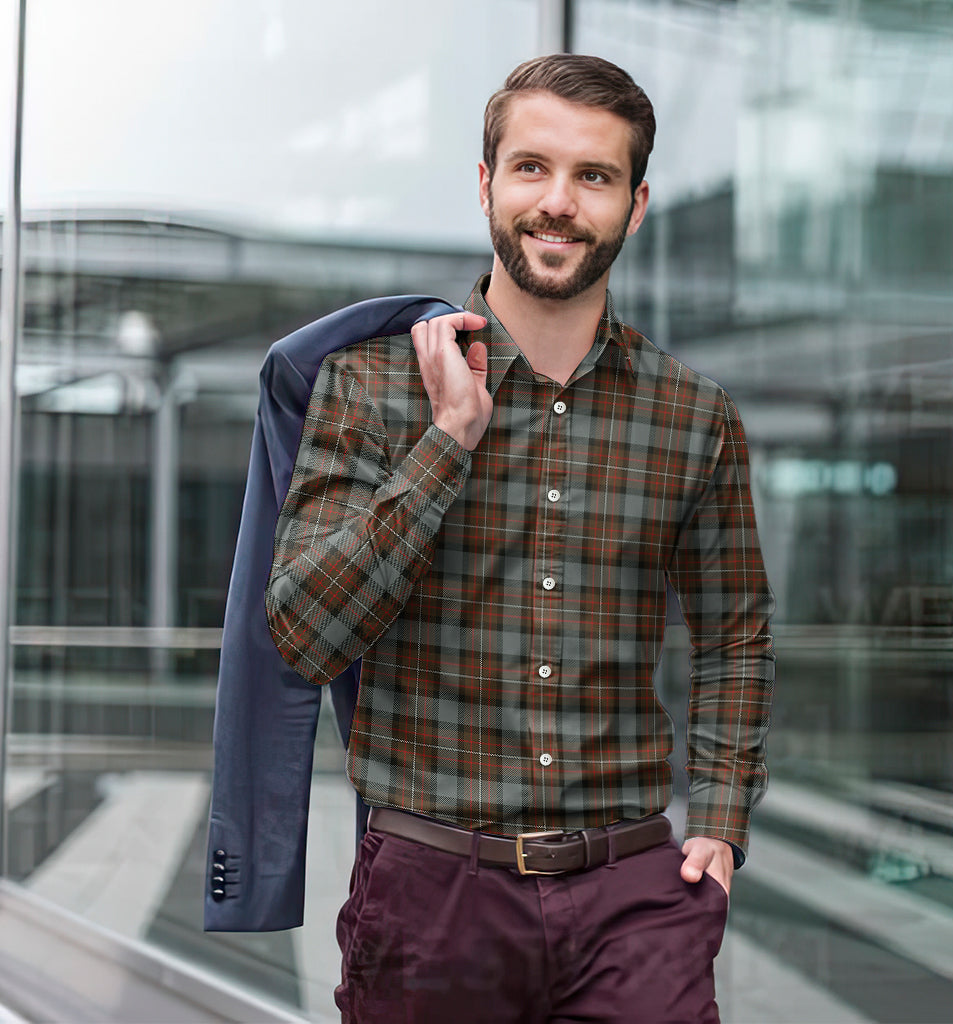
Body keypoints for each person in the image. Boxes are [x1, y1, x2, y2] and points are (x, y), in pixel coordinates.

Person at [266, 53, 774, 1024]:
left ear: (636, 203)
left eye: (595, 176)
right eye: (533, 167)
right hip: (432, 898)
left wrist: (717, 818)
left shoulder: (693, 416)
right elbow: (303, 635)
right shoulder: (370, 389)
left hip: (634, 898)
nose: (559, 202)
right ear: (487, 182)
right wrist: (448, 438)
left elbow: (734, 633)